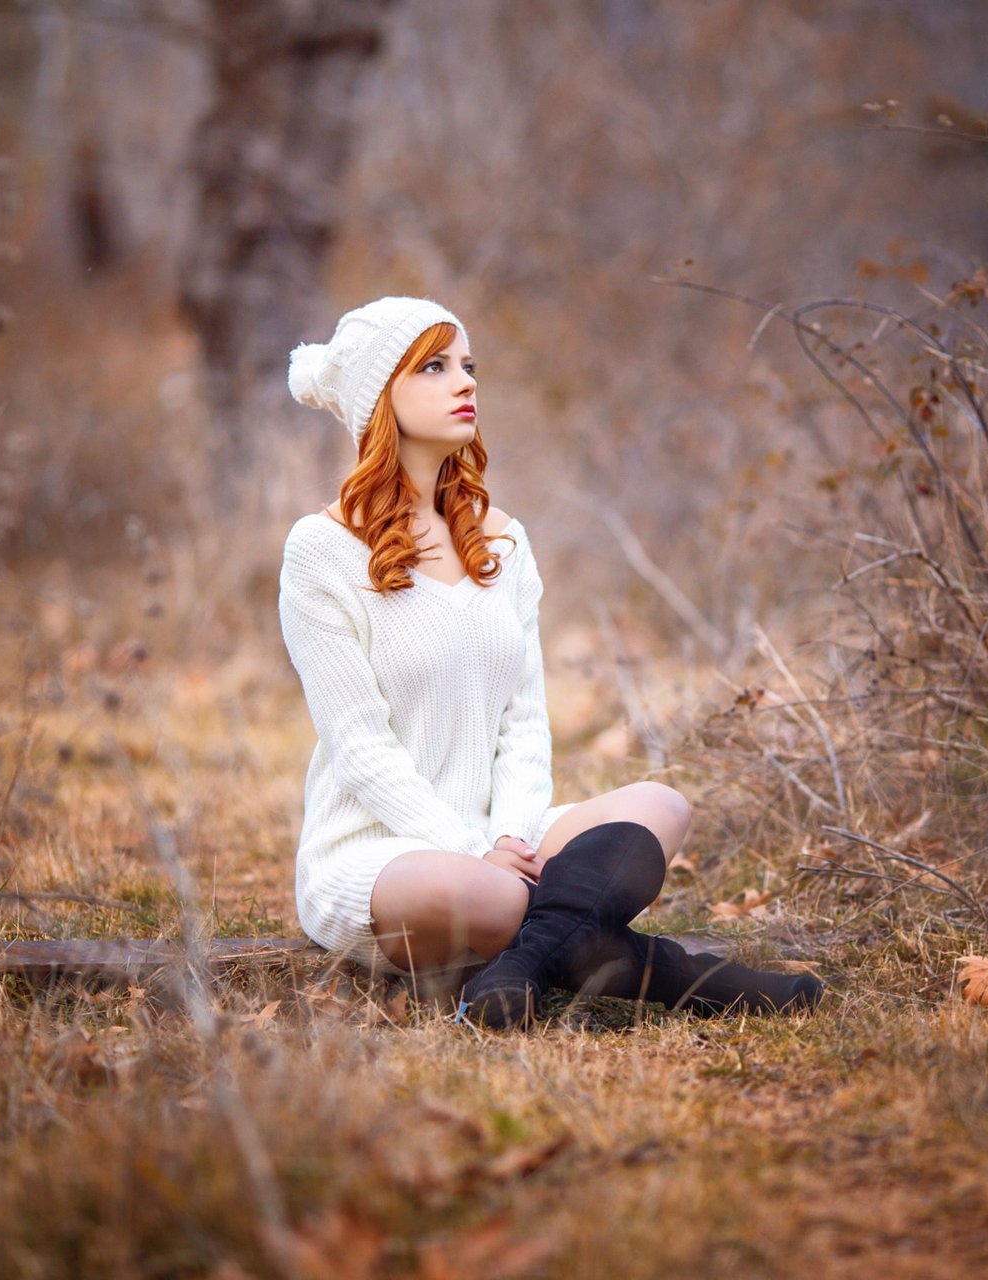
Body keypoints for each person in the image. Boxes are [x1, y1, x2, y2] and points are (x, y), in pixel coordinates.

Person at [279, 295, 825, 1028]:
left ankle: (519, 968)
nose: (466, 383)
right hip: (384, 854)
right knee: (499, 895)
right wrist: (475, 851)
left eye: (469, 366)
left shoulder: (503, 543)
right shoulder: (320, 551)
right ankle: (690, 978)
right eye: (436, 367)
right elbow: (358, 746)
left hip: (504, 835)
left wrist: (508, 836)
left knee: (661, 806)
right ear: (380, 395)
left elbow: (525, 723)